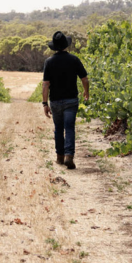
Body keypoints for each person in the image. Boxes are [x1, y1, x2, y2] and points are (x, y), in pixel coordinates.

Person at [42, 31, 89, 169]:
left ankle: (60, 157)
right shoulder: (74, 60)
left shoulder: (49, 62)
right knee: (69, 128)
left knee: (58, 129)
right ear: (66, 45)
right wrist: (86, 92)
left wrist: (45, 103)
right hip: (71, 101)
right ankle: (69, 155)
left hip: (55, 101)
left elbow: (45, 84)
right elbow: (84, 79)